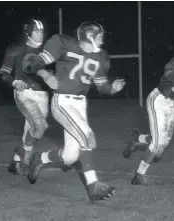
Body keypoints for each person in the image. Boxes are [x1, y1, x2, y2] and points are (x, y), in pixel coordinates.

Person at [22, 21, 126, 202]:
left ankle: (41, 158)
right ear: (89, 36)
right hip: (63, 102)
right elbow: (28, 63)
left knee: (70, 157)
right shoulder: (64, 44)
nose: (102, 39)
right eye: (99, 35)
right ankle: (93, 185)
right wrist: (46, 75)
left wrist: (112, 89)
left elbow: (101, 87)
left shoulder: (100, 56)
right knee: (88, 137)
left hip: (80, 105)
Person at [122, 39, 174, 185]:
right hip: (159, 100)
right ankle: (139, 176)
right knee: (157, 144)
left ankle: (139, 139)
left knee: (161, 146)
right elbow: (169, 75)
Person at [0, 19, 57, 176]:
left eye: (42, 31)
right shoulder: (17, 49)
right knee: (40, 125)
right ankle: (26, 160)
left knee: (34, 131)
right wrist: (14, 81)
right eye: (36, 31)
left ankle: (17, 159)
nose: (40, 34)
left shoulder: (48, 51)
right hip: (24, 93)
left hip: (42, 95)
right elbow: (3, 74)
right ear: (28, 33)